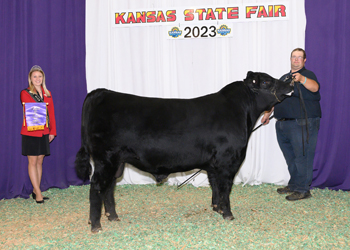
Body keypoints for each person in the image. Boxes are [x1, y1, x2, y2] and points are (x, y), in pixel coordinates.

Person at [261, 48, 321, 201]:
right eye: (294, 57)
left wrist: (302, 79)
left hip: (301, 123)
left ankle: (303, 189)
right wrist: (268, 113)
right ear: (290, 59)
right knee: (291, 157)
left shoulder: (308, 75)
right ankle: (295, 184)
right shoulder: (285, 77)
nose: (296, 60)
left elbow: (315, 87)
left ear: (304, 60)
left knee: (302, 156)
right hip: (283, 123)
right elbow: (277, 97)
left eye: (299, 57)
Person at [21, 65, 57, 204]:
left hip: (44, 131)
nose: (37, 79)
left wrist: (52, 131)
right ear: (30, 78)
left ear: (43, 78)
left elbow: (51, 113)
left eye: (40, 76)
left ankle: (36, 190)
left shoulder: (48, 93)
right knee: (32, 161)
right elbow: (33, 111)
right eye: (35, 76)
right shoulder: (25, 92)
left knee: (40, 161)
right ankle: (38, 192)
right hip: (30, 131)